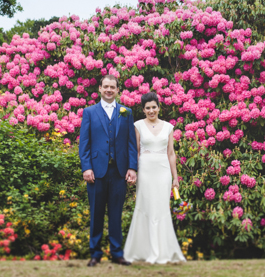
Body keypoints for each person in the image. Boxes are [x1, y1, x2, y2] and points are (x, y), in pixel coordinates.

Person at [79, 74, 138, 267]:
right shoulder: (89, 112)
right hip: (96, 172)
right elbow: (84, 144)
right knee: (96, 214)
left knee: (115, 214)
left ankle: (116, 253)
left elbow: (131, 143)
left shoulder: (126, 112)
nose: (109, 90)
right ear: (100, 89)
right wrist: (86, 167)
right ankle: (95, 254)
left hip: (119, 172)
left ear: (117, 89)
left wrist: (132, 167)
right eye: (106, 86)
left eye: (112, 87)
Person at [123, 92, 186, 263]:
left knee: (161, 208)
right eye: (147, 108)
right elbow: (134, 151)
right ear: (143, 110)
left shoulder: (168, 127)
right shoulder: (138, 126)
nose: (151, 111)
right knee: (145, 207)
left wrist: (175, 177)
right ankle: (144, 251)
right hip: (145, 171)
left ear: (159, 107)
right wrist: (133, 170)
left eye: (154, 107)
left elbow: (171, 153)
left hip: (163, 171)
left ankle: (163, 251)